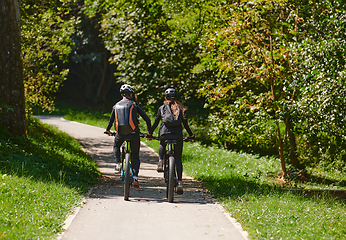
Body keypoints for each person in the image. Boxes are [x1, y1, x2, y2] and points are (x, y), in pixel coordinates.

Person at [148, 88, 194, 194]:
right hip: (177, 136)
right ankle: (180, 183)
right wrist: (191, 135)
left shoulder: (162, 108)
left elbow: (156, 122)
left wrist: (150, 133)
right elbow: (185, 124)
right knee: (178, 158)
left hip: (164, 134)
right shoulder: (179, 109)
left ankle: (160, 161)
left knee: (162, 143)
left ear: (165, 97)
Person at [105, 84, 151, 188]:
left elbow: (111, 120)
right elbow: (147, 119)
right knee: (135, 155)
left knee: (116, 146)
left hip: (120, 134)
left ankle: (117, 164)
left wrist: (108, 130)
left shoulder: (116, 106)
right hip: (134, 134)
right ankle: (135, 178)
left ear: (122, 95)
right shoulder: (134, 105)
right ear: (130, 94)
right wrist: (149, 132)